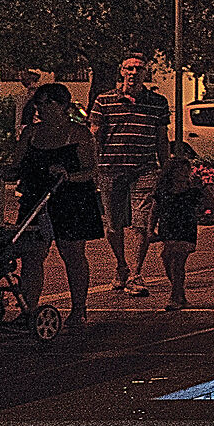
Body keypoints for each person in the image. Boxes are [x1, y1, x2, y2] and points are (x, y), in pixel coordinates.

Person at [11, 84, 100, 330]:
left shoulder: (79, 134)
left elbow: (91, 170)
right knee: (32, 254)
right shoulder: (31, 133)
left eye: (46, 103)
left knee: (72, 253)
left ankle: (79, 309)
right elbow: (16, 164)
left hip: (70, 199)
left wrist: (68, 176)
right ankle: (28, 309)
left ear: (61, 106)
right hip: (36, 197)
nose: (40, 108)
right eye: (38, 103)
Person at [87, 54, 170, 297]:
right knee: (113, 225)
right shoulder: (104, 101)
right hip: (110, 169)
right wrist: (91, 166)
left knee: (141, 223)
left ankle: (135, 273)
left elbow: (161, 138)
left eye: (139, 69)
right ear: (121, 71)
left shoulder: (157, 102)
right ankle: (121, 265)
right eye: (129, 68)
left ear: (146, 73)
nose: (133, 73)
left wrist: (165, 169)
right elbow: (95, 136)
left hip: (144, 170)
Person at [150, 147, 206, 310]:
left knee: (178, 261)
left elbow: (212, 204)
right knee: (167, 258)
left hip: (185, 229)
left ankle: (174, 296)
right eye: (180, 170)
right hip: (168, 229)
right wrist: (150, 229)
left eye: (186, 170)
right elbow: (155, 210)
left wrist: (202, 187)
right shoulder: (163, 191)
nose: (183, 173)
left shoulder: (192, 191)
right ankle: (179, 293)